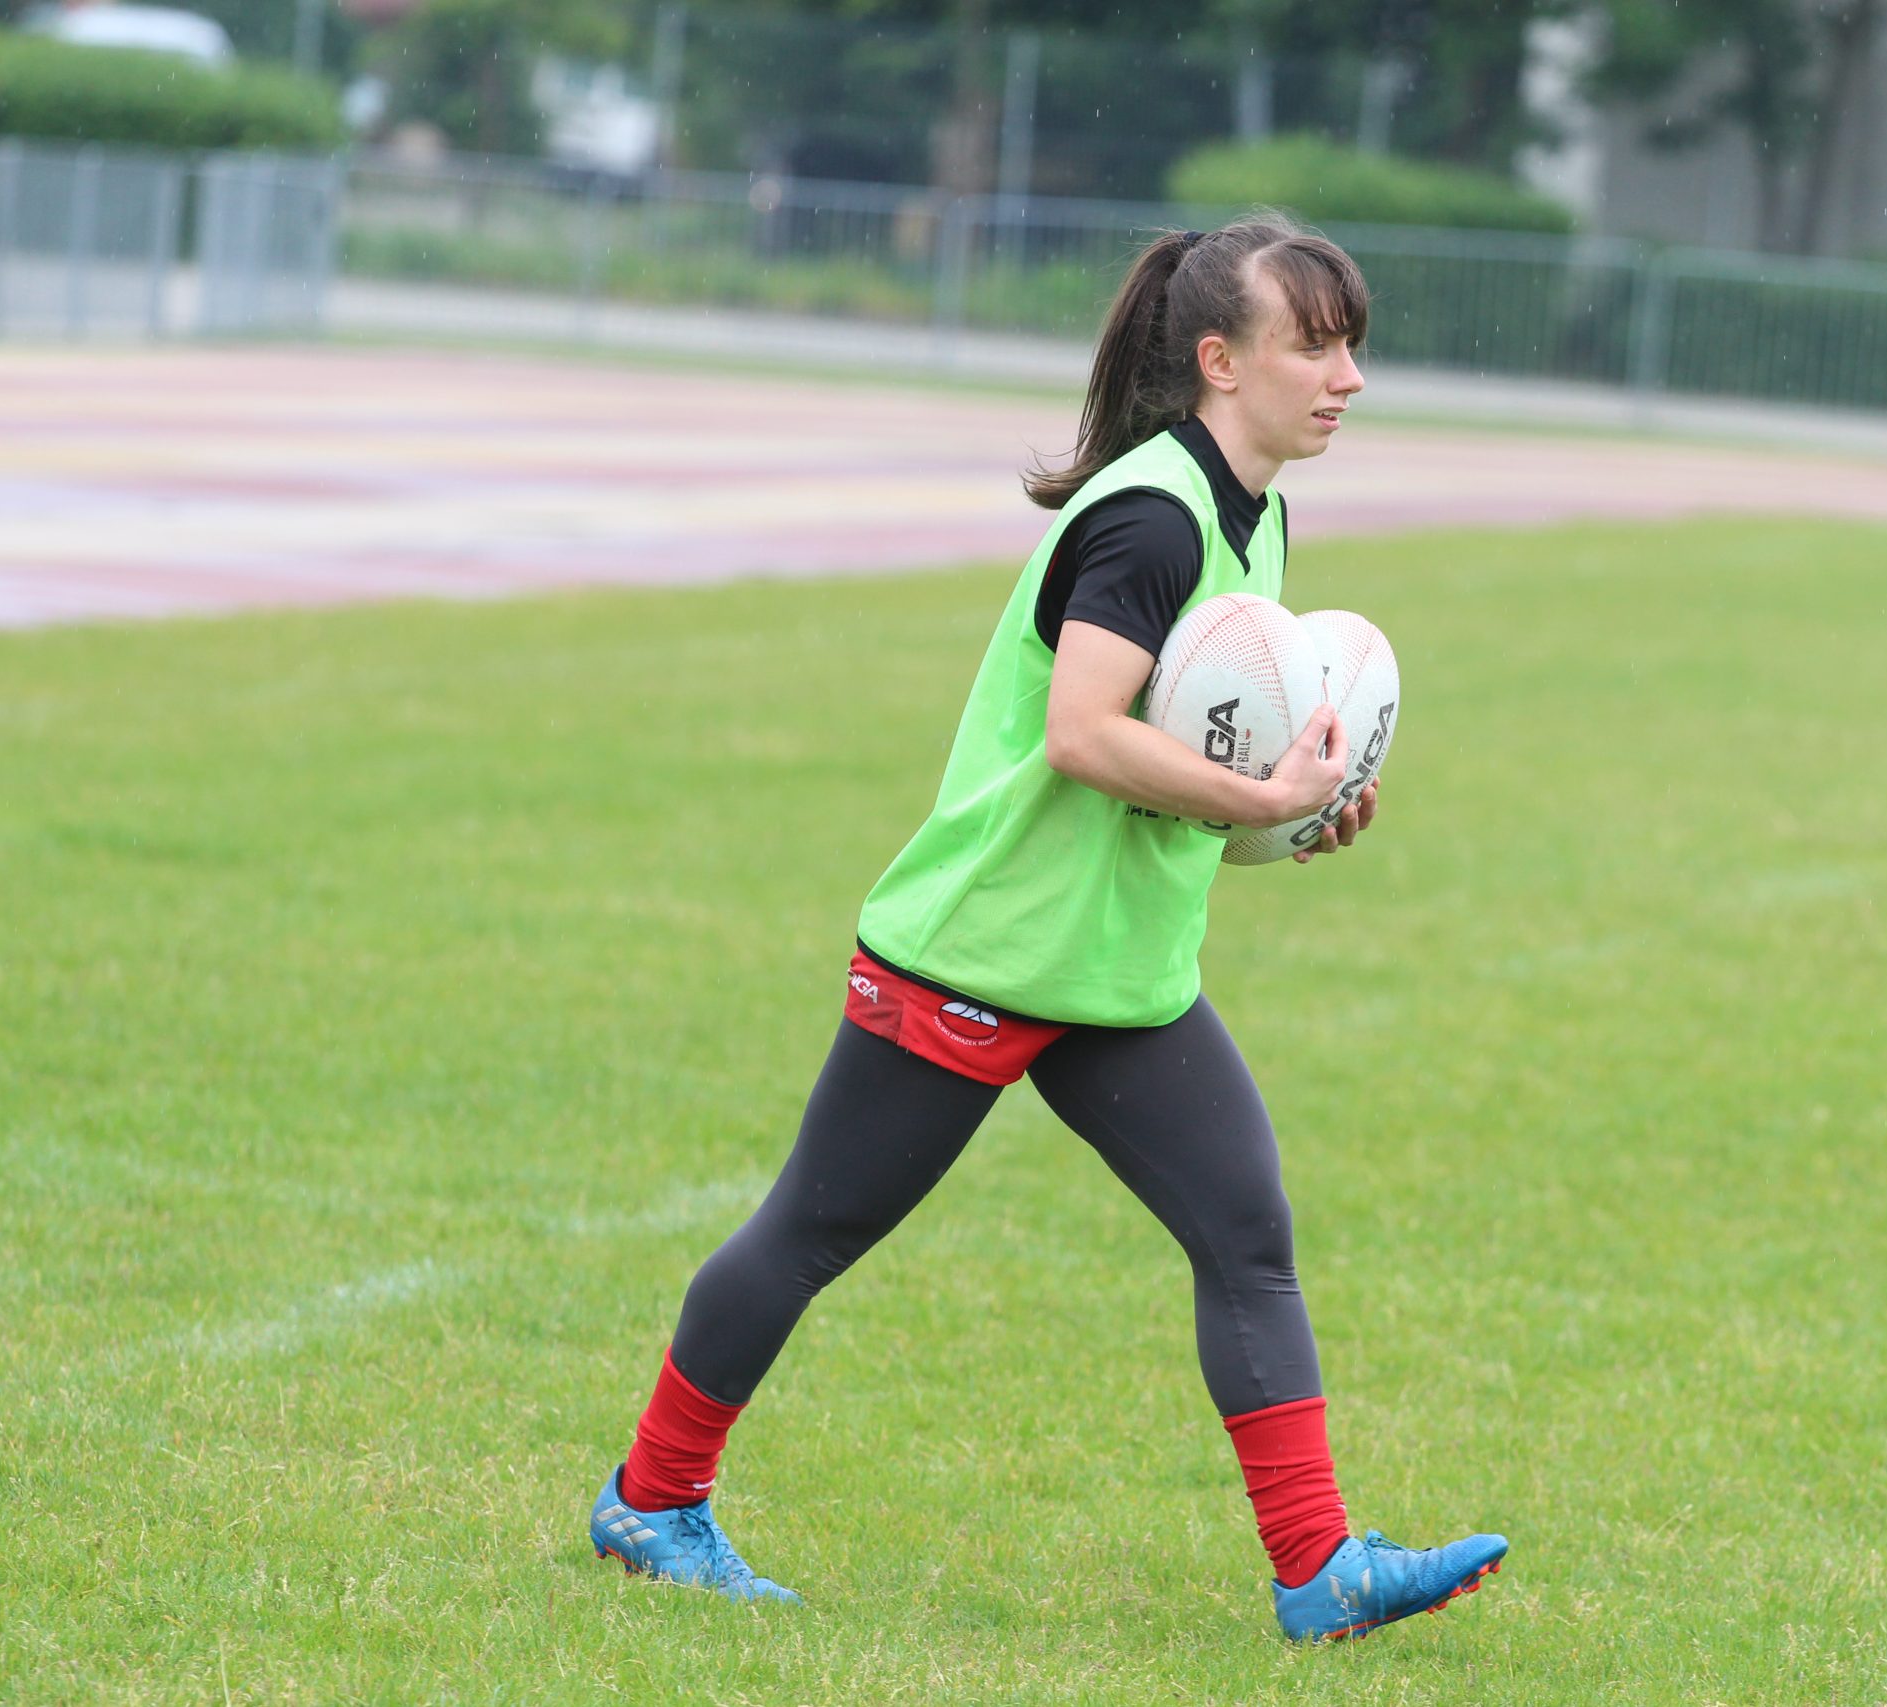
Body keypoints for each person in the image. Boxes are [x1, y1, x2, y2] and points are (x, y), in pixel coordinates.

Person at [588, 212, 1508, 1643]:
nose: (1349, 378)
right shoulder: (1152, 517)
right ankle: (652, 1502)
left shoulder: (1255, 512)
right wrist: (1256, 793)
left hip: (1114, 967)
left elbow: (1189, 755)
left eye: (1354, 348)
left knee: (1247, 1231)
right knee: (814, 1230)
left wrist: (1287, 818)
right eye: (1315, 348)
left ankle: (1319, 1569)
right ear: (1221, 361)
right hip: (985, 951)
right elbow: (1084, 734)